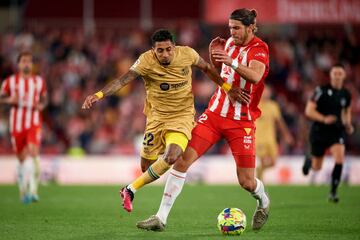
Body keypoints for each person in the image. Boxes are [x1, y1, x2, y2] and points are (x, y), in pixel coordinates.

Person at [82, 29, 248, 211]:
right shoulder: (146, 60)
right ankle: (142, 179)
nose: (165, 54)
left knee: (172, 156)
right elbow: (123, 80)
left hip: (182, 117)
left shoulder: (187, 54)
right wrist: (98, 94)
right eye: (160, 50)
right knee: (146, 167)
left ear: (174, 47)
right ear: (153, 50)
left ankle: (130, 189)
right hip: (156, 119)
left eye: (168, 49)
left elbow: (207, 68)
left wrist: (227, 87)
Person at [136, 8, 270, 231]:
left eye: (236, 28)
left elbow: (255, 76)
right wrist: (214, 57)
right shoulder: (228, 44)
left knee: (246, 182)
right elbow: (221, 72)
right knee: (182, 160)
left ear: (250, 27)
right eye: (230, 28)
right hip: (214, 115)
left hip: (242, 121)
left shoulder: (260, 49)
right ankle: (160, 218)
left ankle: (263, 202)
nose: (232, 32)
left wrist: (231, 61)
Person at [0, 51, 48, 204]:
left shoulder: (39, 82)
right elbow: (1, 98)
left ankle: (34, 191)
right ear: (19, 64)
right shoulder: (10, 82)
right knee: (21, 159)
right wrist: (9, 100)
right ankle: (23, 191)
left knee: (34, 151)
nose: (27, 64)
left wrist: (40, 105)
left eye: (29, 61)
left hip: (33, 121)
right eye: (24, 61)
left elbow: (44, 100)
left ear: (32, 64)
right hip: (17, 123)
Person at [302, 64, 354, 203]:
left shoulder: (346, 94)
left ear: (344, 75)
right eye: (335, 73)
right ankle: (309, 161)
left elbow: (346, 111)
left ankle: (333, 192)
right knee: (317, 167)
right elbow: (309, 110)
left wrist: (348, 124)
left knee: (340, 158)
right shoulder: (321, 91)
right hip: (319, 130)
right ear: (331, 75)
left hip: (336, 131)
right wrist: (324, 119)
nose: (337, 75)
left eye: (340, 73)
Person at [255, 85, 294, 181]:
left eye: (268, 91)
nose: (267, 93)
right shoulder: (255, 105)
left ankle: (259, 171)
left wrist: (287, 135)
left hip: (271, 139)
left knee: (273, 162)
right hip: (259, 139)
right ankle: (260, 185)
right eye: (265, 91)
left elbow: (280, 122)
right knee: (263, 160)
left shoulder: (273, 106)